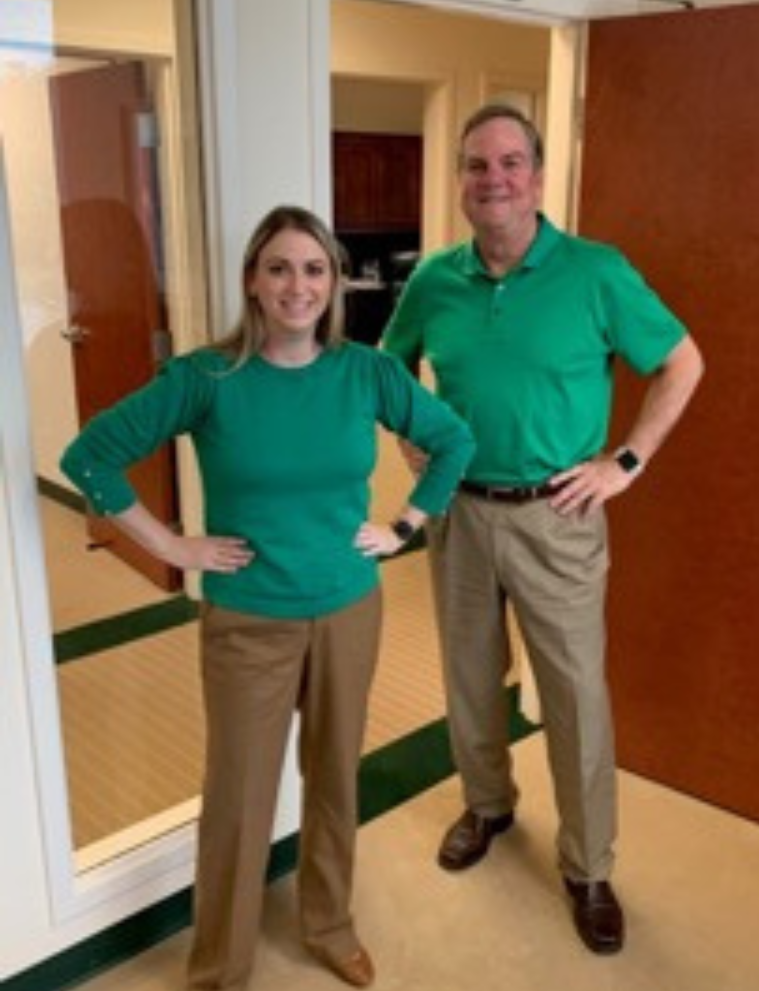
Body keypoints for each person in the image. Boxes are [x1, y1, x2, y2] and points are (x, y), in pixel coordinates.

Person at [61, 204, 474, 990]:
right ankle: (219, 963)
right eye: (279, 267)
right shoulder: (206, 378)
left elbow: (454, 439)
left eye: (314, 268)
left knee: (333, 778)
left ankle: (329, 923)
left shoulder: (368, 371)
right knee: (240, 799)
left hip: (349, 607)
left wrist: (404, 524)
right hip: (249, 617)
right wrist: (173, 547)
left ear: (334, 282)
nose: (298, 285)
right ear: (252, 279)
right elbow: (90, 459)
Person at [382, 104, 704, 956]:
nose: (492, 179)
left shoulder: (596, 273)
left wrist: (624, 463)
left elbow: (681, 361)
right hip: (456, 511)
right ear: (460, 180)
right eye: (475, 165)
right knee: (469, 675)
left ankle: (588, 864)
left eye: (509, 162)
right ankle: (485, 803)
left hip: (555, 518)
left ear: (536, 174)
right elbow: (388, 367)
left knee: (573, 696)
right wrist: (410, 432)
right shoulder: (433, 281)